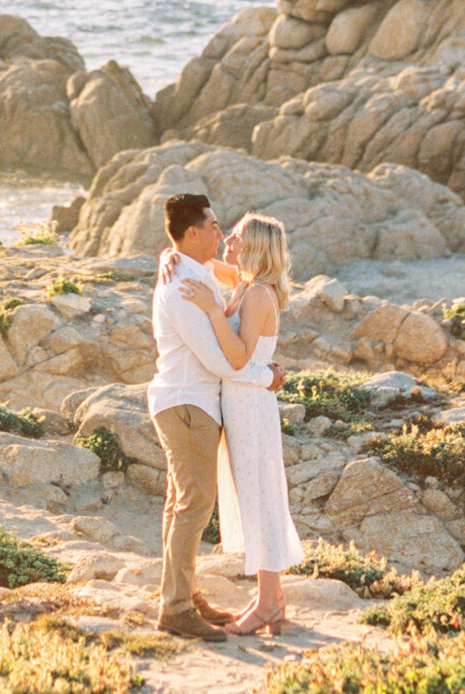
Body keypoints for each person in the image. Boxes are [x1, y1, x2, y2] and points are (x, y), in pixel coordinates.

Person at [145, 191, 283, 639]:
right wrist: (269, 377)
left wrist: (170, 251)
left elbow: (241, 274)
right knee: (194, 503)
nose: (220, 234)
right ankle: (177, 607)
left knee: (181, 502)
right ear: (192, 233)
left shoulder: (193, 268)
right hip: (187, 402)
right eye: (213, 227)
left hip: (192, 402)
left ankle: (183, 595)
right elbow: (223, 362)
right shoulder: (185, 285)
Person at [176, 214, 303, 633]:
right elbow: (205, 263)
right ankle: (275, 600)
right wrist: (167, 255)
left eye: (236, 237)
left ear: (254, 248)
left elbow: (237, 358)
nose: (226, 239)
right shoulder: (246, 284)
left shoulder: (258, 296)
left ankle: (267, 604)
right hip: (241, 404)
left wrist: (213, 311)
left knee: (261, 498)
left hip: (251, 407)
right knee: (253, 496)